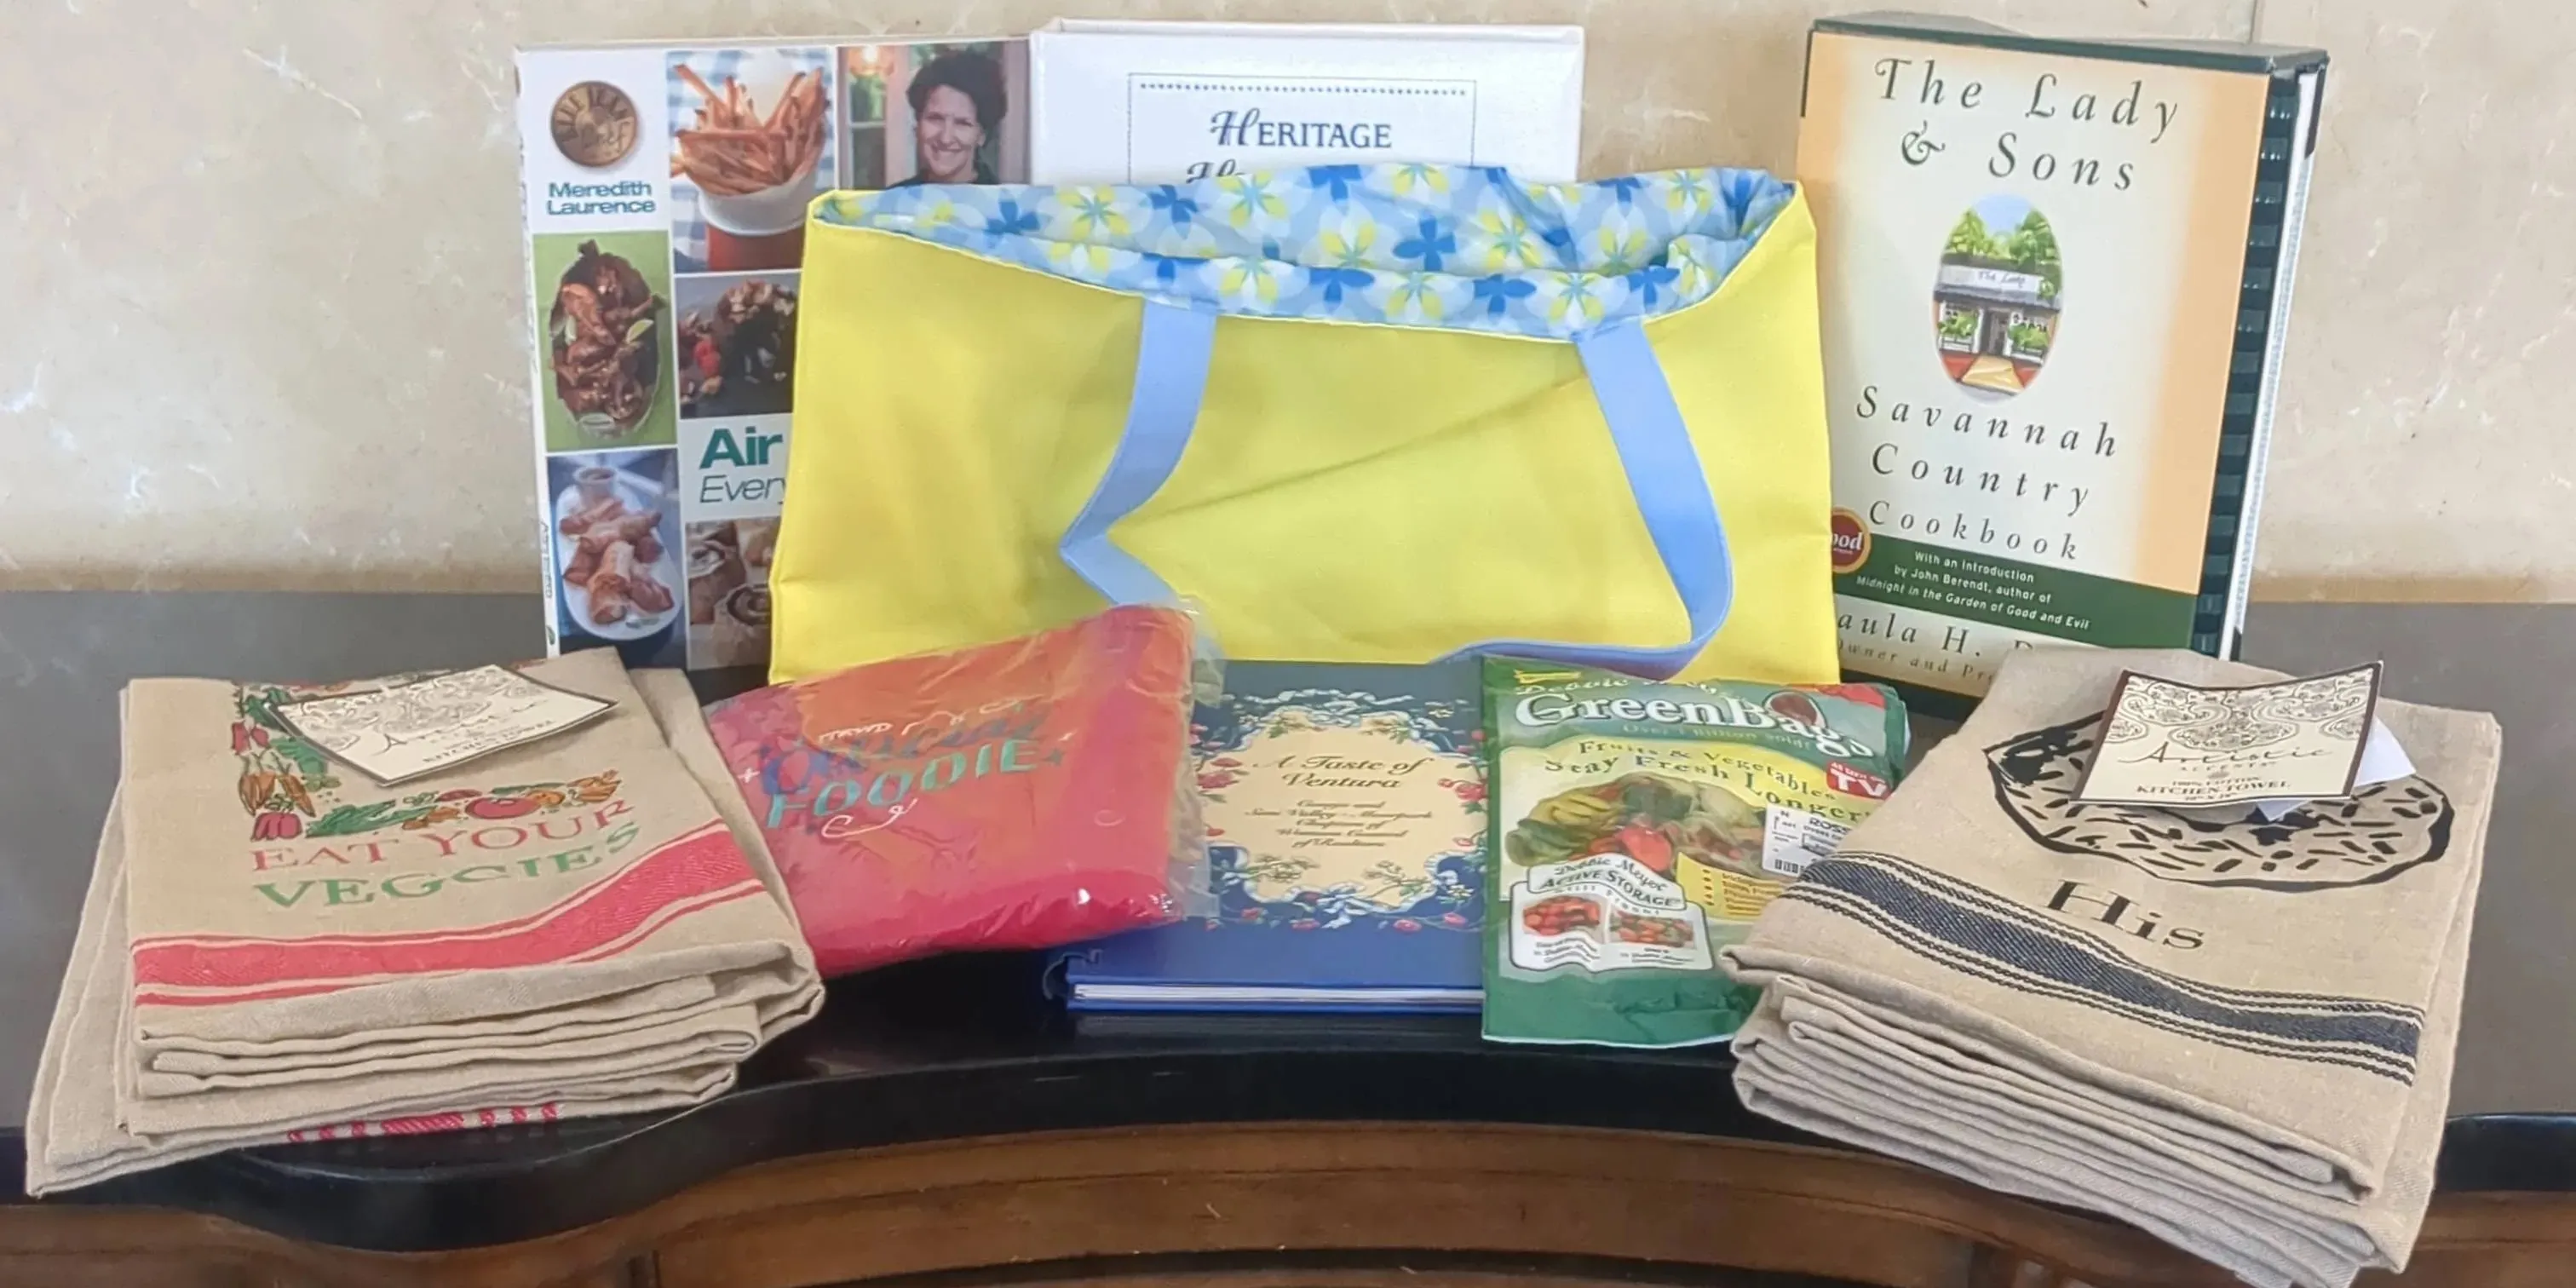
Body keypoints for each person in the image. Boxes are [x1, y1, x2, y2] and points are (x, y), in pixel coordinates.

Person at [891, 51, 1005, 187]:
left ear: (981, 136)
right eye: (936, 119)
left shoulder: (1002, 199)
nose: (945, 139)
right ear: (918, 125)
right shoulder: (893, 198)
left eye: (962, 123)